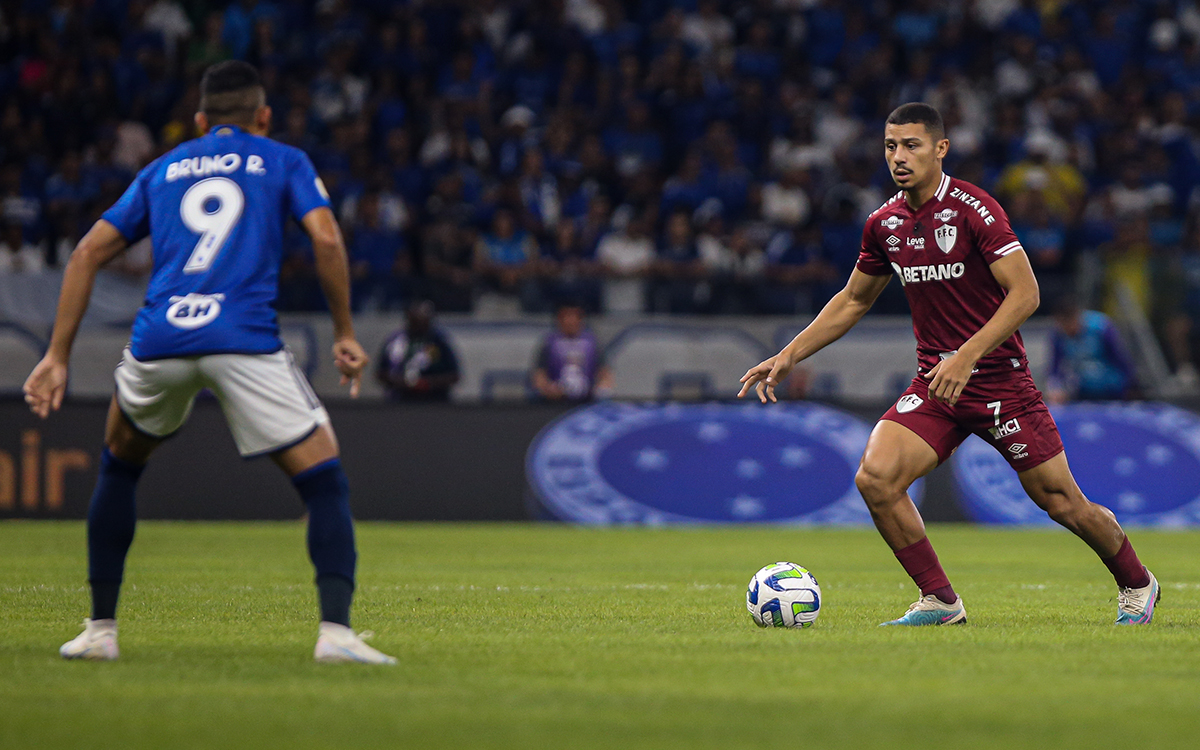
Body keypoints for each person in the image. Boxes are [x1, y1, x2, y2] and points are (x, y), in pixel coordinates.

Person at [22, 61, 396, 664]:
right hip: (242, 338)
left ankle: (99, 632)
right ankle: (337, 636)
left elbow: (87, 251)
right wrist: (345, 331)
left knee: (119, 469)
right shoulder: (283, 159)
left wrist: (57, 356)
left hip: (160, 339)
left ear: (199, 120)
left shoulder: (161, 168)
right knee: (324, 480)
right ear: (264, 117)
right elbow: (326, 239)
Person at [739, 103, 1159, 627]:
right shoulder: (884, 223)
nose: (899, 156)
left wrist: (968, 354)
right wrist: (788, 355)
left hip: (999, 382)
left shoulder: (975, 209)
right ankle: (940, 601)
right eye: (891, 146)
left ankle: (1137, 582)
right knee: (877, 478)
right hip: (937, 384)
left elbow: (1025, 293)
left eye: (912, 145)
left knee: (1062, 503)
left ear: (941, 148)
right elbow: (852, 300)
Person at [1047, 298, 1137, 403]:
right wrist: (1055, 388)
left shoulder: (1101, 327)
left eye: (1070, 324)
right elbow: (1055, 365)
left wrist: (1130, 385)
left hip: (1112, 389)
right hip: (1084, 392)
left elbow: (1121, 357)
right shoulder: (1058, 335)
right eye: (1063, 325)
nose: (1068, 329)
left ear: (1077, 317)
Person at [376, 300, 460, 401]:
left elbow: (454, 375)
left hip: (434, 401)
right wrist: (402, 382)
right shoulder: (395, 341)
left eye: (424, 321)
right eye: (415, 321)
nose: (420, 325)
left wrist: (428, 383)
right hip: (399, 400)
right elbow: (381, 372)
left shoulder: (439, 342)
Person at [532, 301, 613, 401]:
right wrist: (547, 389)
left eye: (574, 316)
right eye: (566, 316)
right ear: (559, 319)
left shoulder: (593, 343)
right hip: (555, 400)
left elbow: (605, 373)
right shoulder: (549, 343)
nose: (570, 321)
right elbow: (539, 374)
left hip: (587, 400)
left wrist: (601, 389)